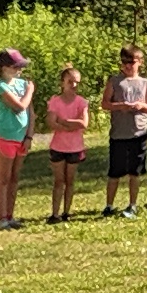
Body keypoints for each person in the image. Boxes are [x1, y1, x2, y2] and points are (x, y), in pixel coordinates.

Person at [0, 49, 36, 227]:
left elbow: (31, 113)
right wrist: (30, 91)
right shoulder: (0, 86)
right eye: (16, 67)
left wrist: (29, 136)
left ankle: (10, 215)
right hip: (5, 135)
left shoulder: (22, 84)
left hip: (21, 137)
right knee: (3, 177)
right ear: (4, 67)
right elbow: (20, 107)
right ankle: (1, 218)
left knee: (15, 177)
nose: (19, 70)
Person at [104, 50, 147, 216]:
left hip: (139, 133)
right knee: (115, 172)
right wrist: (121, 106)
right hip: (118, 134)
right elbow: (105, 104)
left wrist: (141, 106)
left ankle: (132, 204)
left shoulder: (146, 83)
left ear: (140, 62)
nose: (127, 65)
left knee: (135, 172)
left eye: (131, 62)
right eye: (125, 61)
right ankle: (109, 206)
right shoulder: (114, 81)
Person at [44, 63, 93, 221]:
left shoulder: (81, 102)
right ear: (62, 82)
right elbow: (51, 122)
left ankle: (66, 212)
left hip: (75, 147)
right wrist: (70, 124)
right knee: (59, 181)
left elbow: (83, 123)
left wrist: (63, 122)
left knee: (70, 180)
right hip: (58, 147)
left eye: (76, 82)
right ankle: (55, 213)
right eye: (70, 81)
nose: (73, 85)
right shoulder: (55, 101)